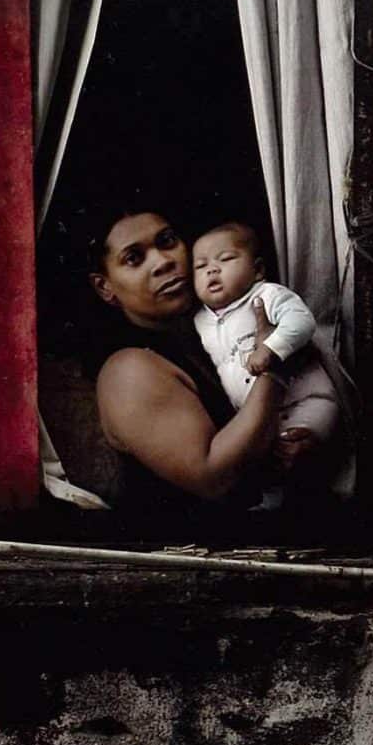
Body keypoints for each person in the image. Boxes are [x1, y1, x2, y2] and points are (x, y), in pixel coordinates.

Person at [85, 210, 292, 532]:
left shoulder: (214, 335)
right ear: (104, 287)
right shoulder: (129, 370)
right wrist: (275, 364)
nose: (163, 261)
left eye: (167, 241)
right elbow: (213, 477)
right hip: (201, 563)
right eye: (134, 258)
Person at [191, 221, 343, 509]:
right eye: (200, 266)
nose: (212, 269)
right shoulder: (199, 321)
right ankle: (274, 504)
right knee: (267, 464)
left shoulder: (266, 295)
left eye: (226, 259)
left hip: (305, 401)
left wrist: (271, 348)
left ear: (257, 270)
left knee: (298, 448)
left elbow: (302, 321)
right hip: (257, 413)